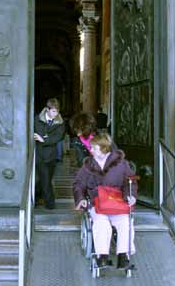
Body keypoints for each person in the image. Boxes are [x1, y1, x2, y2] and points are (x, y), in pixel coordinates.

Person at [73, 133, 137, 268]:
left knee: (125, 222)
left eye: (94, 148)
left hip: (116, 202)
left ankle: (123, 256)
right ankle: (102, 257)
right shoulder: (88, 165)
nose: (91, 150)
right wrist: (81, 199)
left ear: (104, 148)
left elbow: (130, 182)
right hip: (97, 202)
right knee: (102, 223)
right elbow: (78, 184)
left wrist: (131, 196)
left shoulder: (121, 164)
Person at [34, 98, 65, 209]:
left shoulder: (60, 122)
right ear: (47, 109)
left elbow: (59, 136)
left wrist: (44, 139)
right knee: (46, 179)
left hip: (52, 156)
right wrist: (46, 138)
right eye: (53, 111)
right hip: (39, 154)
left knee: (45, 179)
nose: (55, 114)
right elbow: (33, 133)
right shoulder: (37, 119)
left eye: (57, 112)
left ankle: (36, 198)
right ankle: (50, 204)